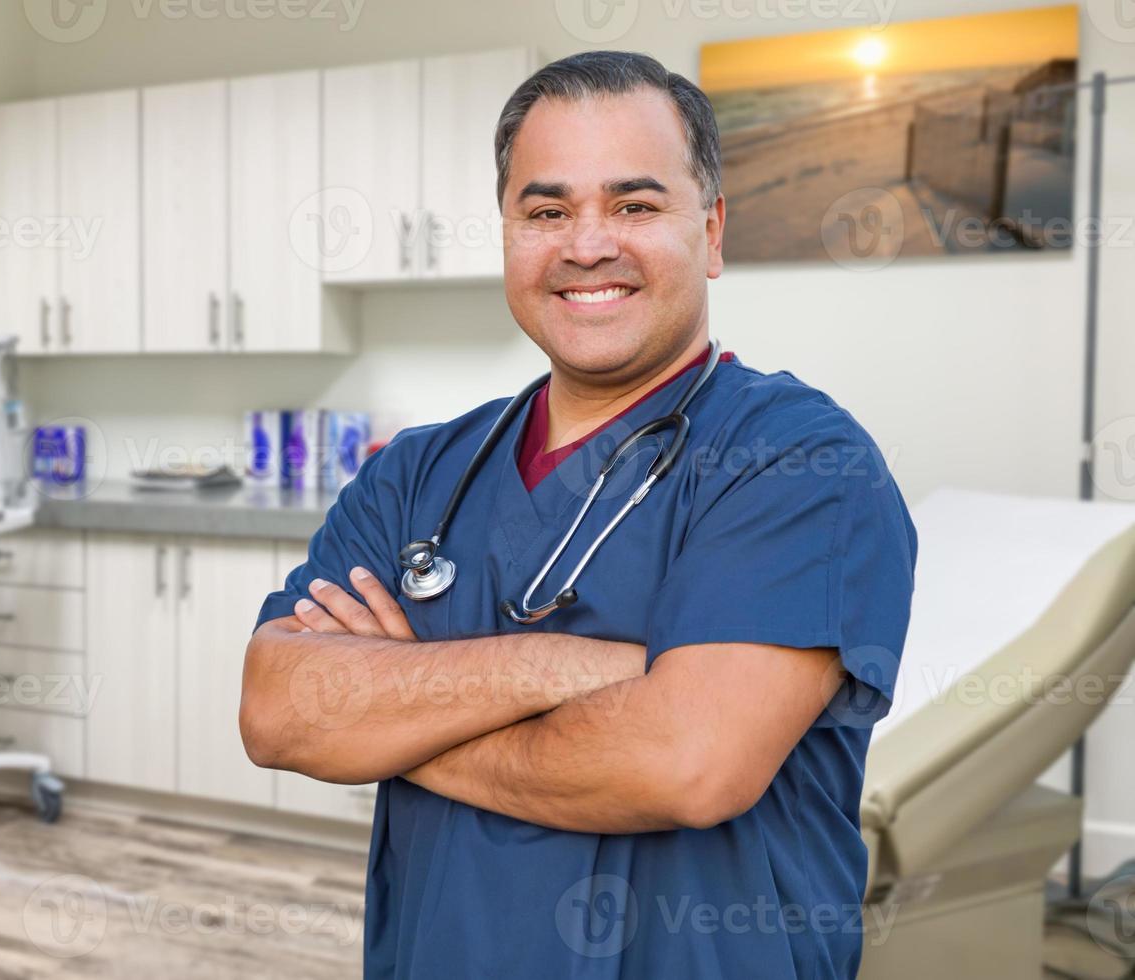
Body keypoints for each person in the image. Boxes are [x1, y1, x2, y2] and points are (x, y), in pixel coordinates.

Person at [240, 49, 916, 979]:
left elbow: (687, 761)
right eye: (546, 210)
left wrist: (397, 714)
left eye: (635, 206)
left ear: (712, 232)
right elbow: (279, 713)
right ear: (510, 233)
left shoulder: (798, 460)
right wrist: (575, 667)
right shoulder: (415, 472)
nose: (585, 244)